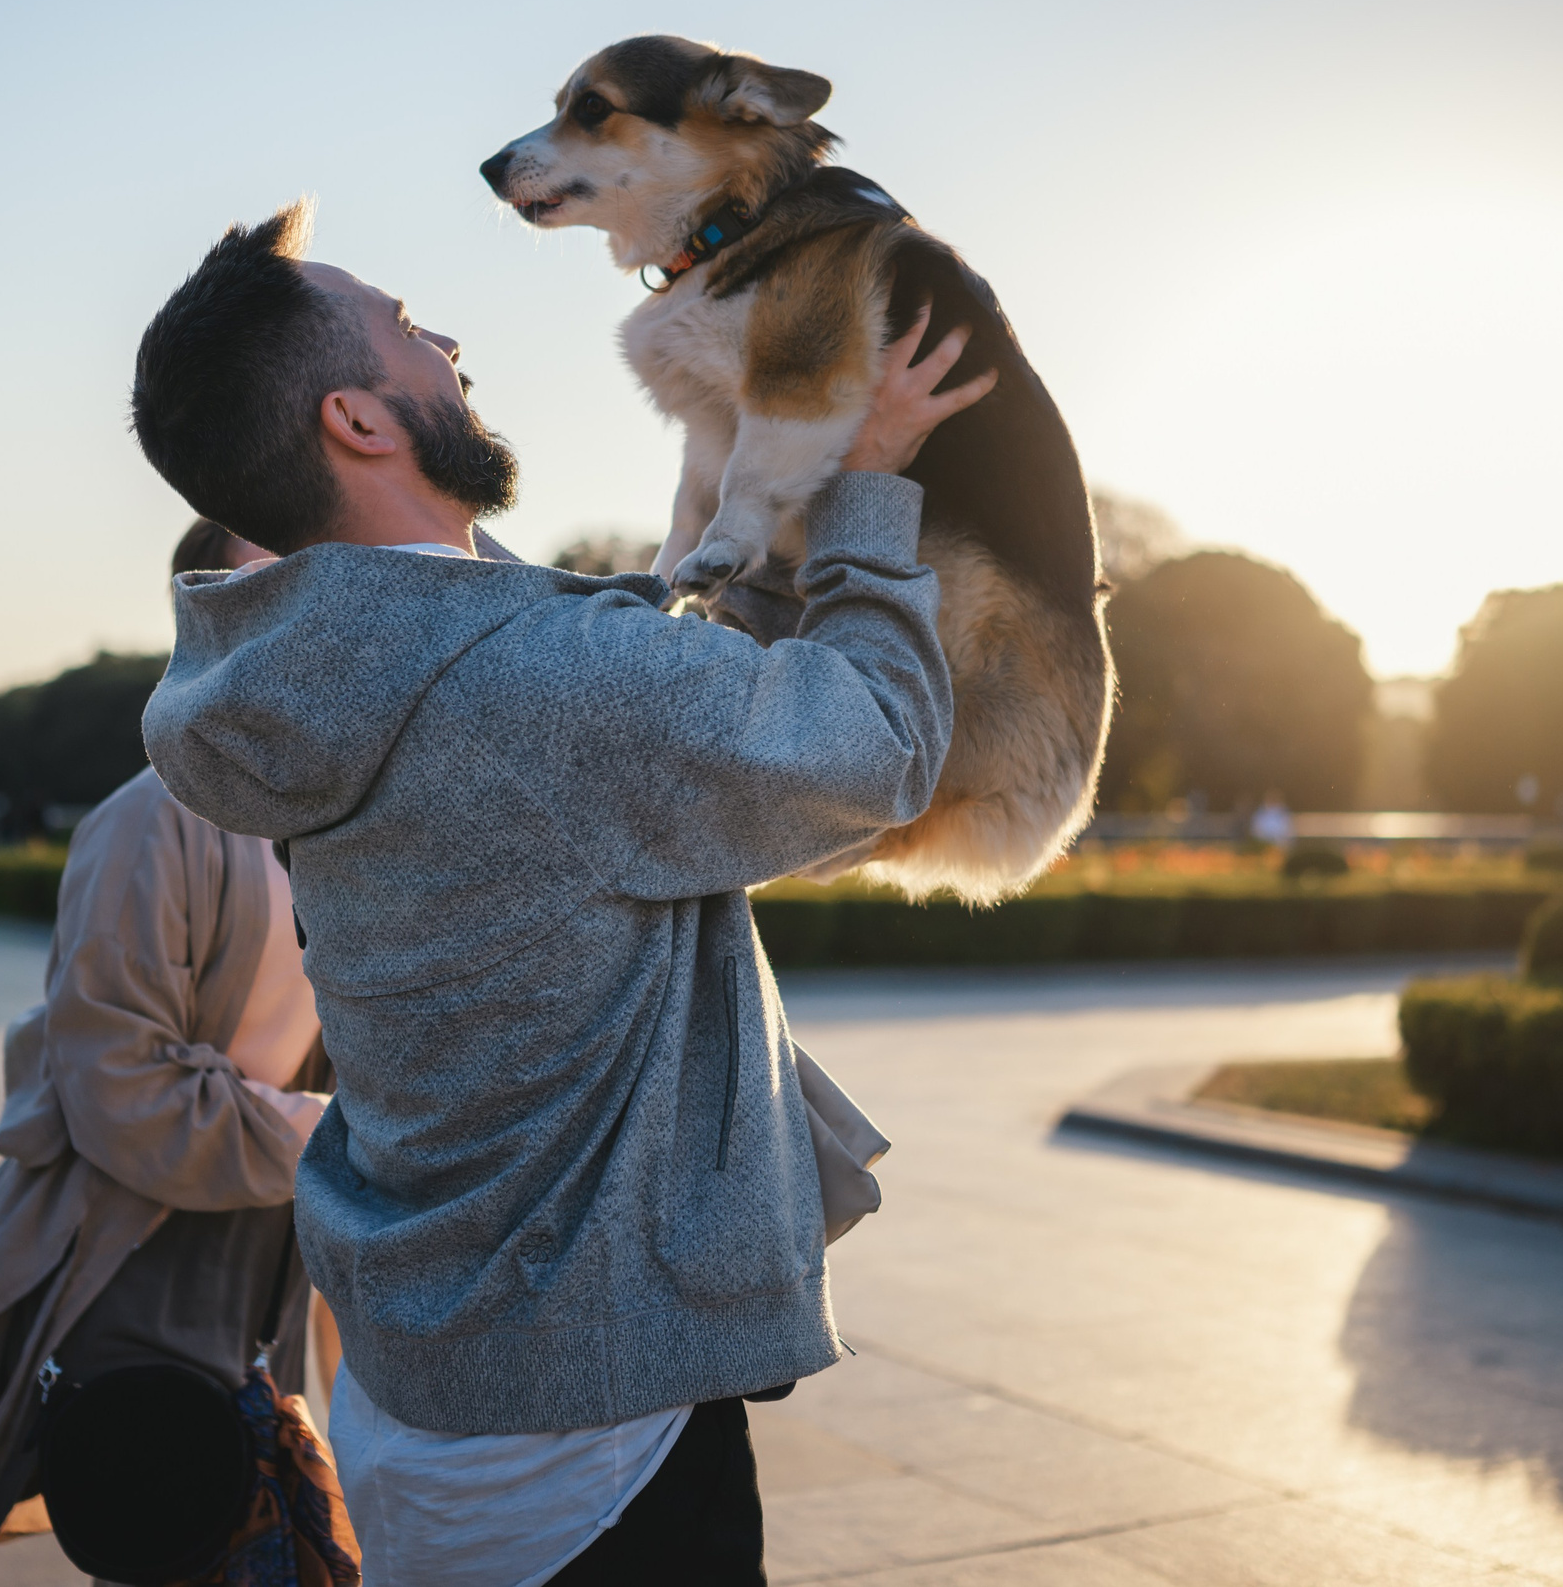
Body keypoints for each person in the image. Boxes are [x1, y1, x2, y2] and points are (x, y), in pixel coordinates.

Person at [129, 202, 990, 1585]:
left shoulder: (307, 672)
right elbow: (881, 745)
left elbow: (588, 682)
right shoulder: (547, 686)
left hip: (426, 1404)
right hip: (599, 1446)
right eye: (411, 330)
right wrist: (866, 481)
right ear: (359, 421)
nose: (452, 344)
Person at [0, 518, 348, 1587]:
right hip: (131, 1254)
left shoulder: (336, 821)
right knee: (171, 1523)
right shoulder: (148, 823)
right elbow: (122, 1090)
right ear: (208, 615)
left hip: (259, 1250)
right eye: (278, 578)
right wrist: (333, 1139)